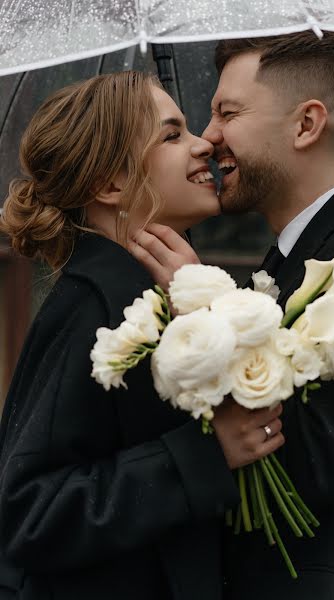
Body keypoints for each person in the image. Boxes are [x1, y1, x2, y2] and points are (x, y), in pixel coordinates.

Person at [131, 32, 334, 599]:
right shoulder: (290, 255)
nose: (209, 137)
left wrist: (204, 306)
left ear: (306, 125)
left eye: (228, 112)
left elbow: (312, 468)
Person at [0, 70, 285, 600]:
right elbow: (26, 510)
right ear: (110, 184)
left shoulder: (151, 294)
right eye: (172, 135)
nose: (205, 143)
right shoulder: (92, 305)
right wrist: (203, 455)